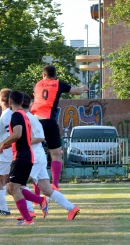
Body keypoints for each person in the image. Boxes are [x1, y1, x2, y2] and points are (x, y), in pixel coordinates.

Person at [17, 93, 80, 221]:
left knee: (16, 186)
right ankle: (72, 208)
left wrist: (22, 141)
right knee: (46, 189)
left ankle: (30, 211)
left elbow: (40, 137)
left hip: (33, 158)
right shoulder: (27, 117)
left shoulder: (29, 118)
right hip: (37, 156)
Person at [30, 65, 89, 190]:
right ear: (55, 75)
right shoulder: (58, 84)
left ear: (43, 75)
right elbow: (76, 91)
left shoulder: (37, 84)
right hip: (49, 121)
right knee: (56, 155)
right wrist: (83, 88)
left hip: (35, 121)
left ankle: (36, 192)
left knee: (36, 156)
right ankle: (55, 185)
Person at [0, 90, 48, 226]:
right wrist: (6, 146)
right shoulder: (24, 115)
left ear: (10, 102)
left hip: (21, 156)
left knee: (13, 188)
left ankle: (28, 219)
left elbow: (17, 135)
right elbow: (23, 138)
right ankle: (40, 202)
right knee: (13, 188)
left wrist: (3, 143)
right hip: (26, 155)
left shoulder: (16, 116)